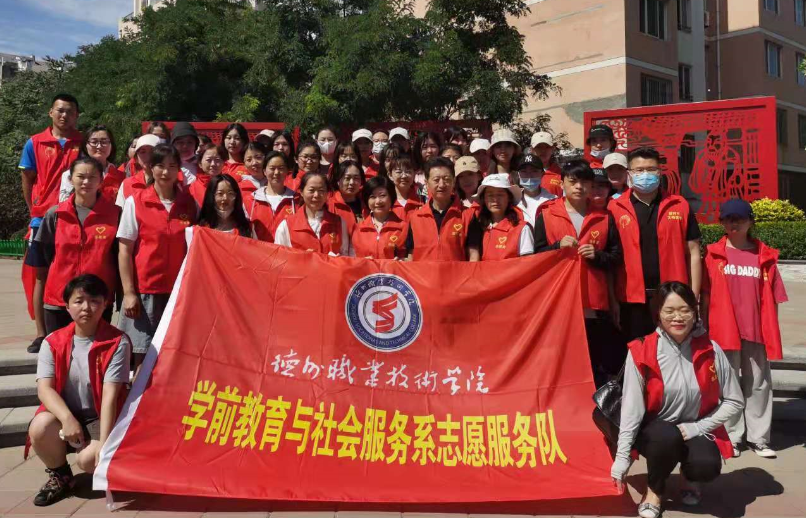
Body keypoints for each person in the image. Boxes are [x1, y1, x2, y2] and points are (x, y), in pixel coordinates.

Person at [611, 281, 743, 518]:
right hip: (655, 430)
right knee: (665, 436)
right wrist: (622, 457)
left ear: (694, 312)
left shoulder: (711, 349)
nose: (678, 317)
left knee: (706, 465)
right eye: (669, 311)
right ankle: (654, 490)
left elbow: (735, 401)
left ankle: (688, 477)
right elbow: (631, 408)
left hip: (695, 427)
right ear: (658, 314)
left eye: (684, 310)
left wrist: (697, 428)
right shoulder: (642, 350)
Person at [28, 274, 130, 507]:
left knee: (88, 461)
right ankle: (61, 476)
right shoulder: (52, 342)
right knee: (40, 427)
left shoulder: (117, 342)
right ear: (67, 306)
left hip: (100, 416)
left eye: (94, 301)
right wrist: (67, 419)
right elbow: (45, 390)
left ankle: (121, 458)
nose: (86, 307)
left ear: (105, 305)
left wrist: (104, 444)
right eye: (79, 301)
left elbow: (110, 397)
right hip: (69, 412)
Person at [703, 199, 788, 459]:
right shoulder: (712, 255)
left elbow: (774, 298)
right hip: (723, 330)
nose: (734, 223)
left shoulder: (765, 256)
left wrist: (771, 331)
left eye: (740, 218)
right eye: (729, 218)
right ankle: (732, 437)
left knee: (759, 384)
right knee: (727, 385)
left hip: (756, 330)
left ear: (751, 221)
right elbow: (705, 296)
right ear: (722, 222)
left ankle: (759, 439)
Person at [534, 160, 622, 385]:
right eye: (573, 181)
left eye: (585, 182)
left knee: (594, 361)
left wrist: (597, 255)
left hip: (594, 303)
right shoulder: (547, 214)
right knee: (562, 360)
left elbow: (616, 258)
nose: (579, 187)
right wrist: (557, 247)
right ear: (562, 183)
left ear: (591, 186)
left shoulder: (604, 217)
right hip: (559, 300)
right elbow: (536, 257)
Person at [117, 144, 197, 374]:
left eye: (172, 166)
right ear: (151, 168)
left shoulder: (189, 204)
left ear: (179, 169)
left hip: (178, 293)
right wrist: (129, 293)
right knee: (142, 357)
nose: (166, 172)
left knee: (173, 356)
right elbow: (124, 250)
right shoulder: (136, 201)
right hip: (145, 292)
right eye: (160, 165)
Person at [609, 147, 702, 342]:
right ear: (629, 174)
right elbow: (609, 257)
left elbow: (694, 253)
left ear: (660, 172)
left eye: (651, 169)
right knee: (637, 352)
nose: (645, 174)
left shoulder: (679, 205)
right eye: (639, 170)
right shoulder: (615, 208)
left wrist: (693, 296)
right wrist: (612, 299)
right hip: (630, 299)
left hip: (673, 297)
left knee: (674, 351)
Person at [25, 156, 119, 334]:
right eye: (80, 176)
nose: (86, 182)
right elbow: (43, 263)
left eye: (92, 177)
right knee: (59, 348)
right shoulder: (55, 214)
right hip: (58, 299)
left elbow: (118, 258)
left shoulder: (115, 214)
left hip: (96, 300)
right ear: (70, 179)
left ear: (101, 180)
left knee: (94, 348)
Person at [19, 94, 83, 352]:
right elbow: (27, 179)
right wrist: (34, 210)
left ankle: (76, 328)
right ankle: (41, 333)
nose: (64, 115)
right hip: (42, 218)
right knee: (41, 276)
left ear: (77, 115)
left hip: (74, 217)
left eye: (70, 111)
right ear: (51, 112)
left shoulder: (82, 142)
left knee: (75, 273)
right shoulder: (35, 142)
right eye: (60, 110)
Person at [405, 157, 479, 261]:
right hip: (423, 272)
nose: (442, 184)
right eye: (436, 180)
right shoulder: (415, 217)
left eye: (447, 179)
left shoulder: (468, 215)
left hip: (456, 272)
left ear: (454, 182)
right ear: (427, 183)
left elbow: (473, 255)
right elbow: (411, 255)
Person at [274, 172, 351, 255]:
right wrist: (301, 258)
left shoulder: (339, 223)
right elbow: (279, 257)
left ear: (327, 194)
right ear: (301, 192)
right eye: (311, 190)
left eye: (321, 190)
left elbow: (346, 256)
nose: (316, 195)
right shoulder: (287, 225)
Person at [467, 173, 533, 261]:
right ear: (484, 199)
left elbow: (528, 264)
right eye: (490, 195)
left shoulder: (522, 228)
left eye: (500, 194)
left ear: (509, 198)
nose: (495, 200)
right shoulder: (477, 227)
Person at [58, 125, 122, 203]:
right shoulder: (71, 174)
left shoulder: (120, 176)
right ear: (86, 146)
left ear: (111, 145)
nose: (99, 146)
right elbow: (64, 203)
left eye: (104, 142)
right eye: (94, 142)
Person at [244, 151, 297, 242]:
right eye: (272, 168)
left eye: (281, 168)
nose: (276, 172)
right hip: (259, 250)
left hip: (286, 250)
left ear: (287, 171)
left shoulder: (296, 200)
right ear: (264, 171)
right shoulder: (250, 201)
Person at [352, 176, 409, 259]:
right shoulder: (359, 229)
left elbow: (410, 259)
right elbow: (351, 259)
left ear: (391, 197)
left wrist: (402, 261)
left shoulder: (403, 228)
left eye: (382, 195)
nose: (378, 201)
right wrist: (361, 261)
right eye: (372, 197)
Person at [115, 134, 160, 208]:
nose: (148, 157)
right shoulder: (127, 184)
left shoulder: (170, 182)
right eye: (143, 152)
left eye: (152, 151)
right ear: (136, 158)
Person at [328, 160, 367, 235]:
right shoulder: (330, 205)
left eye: (356, 178)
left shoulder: (367, 204)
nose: (352, 183)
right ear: (338, 180)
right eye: (347, 178)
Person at [516, 154, 556, 226]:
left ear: (542, 174)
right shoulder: (513, 201)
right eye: (524, 171)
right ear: (518, 174)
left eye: (534, 171)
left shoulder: (553, 201)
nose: (529, 176)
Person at [388, 152, 422, 221]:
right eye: (399, 172)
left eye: (408, 172)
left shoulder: (422, 200)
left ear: (414, 174)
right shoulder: (386, 203)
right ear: (390, 175)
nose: (404, 176)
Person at [530, 131, 563, 197]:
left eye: (547, 147)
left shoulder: (562, 174)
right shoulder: (523, 173)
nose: (543, 150)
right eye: (538, 147)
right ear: (532, 150)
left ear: (553, 149)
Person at [413, 131, 442, 199]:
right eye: (425, 147)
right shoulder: (413, 174)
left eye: (433, 146)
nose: (429, 151)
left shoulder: (446, 171)